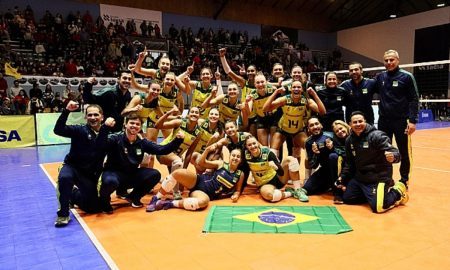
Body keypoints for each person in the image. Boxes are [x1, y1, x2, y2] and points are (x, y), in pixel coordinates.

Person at [99, 113, 184, 213]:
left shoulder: (142, 142)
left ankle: (133, 197)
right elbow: (100, 144)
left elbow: (161, 150)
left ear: (140, 127)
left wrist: (178, 140)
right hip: (114, 174)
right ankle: (104, 202)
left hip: (131, 175)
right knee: (110, 181)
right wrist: (105, 127)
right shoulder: (115, 138)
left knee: (155, 174)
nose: (134, 126)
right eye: (132, 123)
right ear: (125, 124)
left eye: (137, 124)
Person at [53, 101, 115, 227]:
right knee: (65, 177)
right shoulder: (79, 130)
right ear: (85, 117)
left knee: (93, 208)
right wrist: (66, 111)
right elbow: (58, 130)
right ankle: (63, 214)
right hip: (72, 167)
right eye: (90, 115)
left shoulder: (107, 134)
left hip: (89, 175)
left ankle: (72, 195)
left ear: (102, 116)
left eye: (96, 115)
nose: (93, 118)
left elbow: (101, 145)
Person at [339, 111, 409, 213]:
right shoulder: (349, 140)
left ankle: (398, 191)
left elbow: (395, 152)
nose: (358, 124)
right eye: (355, 122)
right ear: (350, 124)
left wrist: (393, 157)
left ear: (365, 121)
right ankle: (374, 196)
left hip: (378, 177)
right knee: (348, 198)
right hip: (361, 178)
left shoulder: (377, 136)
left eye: (360, 121)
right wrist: (343, 178)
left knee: (379, 207)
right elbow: (349, 163)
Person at [147, 144, 245, 212]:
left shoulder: (240, 174)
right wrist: (206, 151)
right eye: (233, 155)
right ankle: (156, 198)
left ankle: (169, 203)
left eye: (238, 157)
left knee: (203, 203)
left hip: (205, 193)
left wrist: (236, 195)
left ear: (240, 160)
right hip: (198, 180)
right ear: (230, 156)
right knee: (177, 173)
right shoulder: (221, 164)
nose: (235, 158)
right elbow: (202, 163)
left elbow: (237, 190)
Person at [375, 50, 419, 188]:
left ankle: (404, 180)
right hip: (383, 121)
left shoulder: (407, 76)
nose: (389, 63)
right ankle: (386, 178)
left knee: (404, 151)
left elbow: (414, 99)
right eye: (386, 60)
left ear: (398, 60)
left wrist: (412, 121)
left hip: (401, 121)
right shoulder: (380, 77)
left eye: (391, 60)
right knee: (383, 151)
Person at [244, 136, 308, 202]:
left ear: (257, 143)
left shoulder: (267, 153)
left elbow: (281, 172)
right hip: (265, 184)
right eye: (249, 145)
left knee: (290, 159)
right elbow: (244, 171)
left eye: (254, 143)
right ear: (246, 147)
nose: (253, 146)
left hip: (278, 179)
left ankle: (298, 190)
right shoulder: (246, 156)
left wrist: (275, 167)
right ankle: (290, 193)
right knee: (270, 196)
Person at [303, 116, 337, 197]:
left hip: (339, 169)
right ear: (308, 129)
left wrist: (333, 148)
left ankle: (334, 184)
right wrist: (316, 154)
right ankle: (328, 184)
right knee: (307, 189)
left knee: (333, 156)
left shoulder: (332, 135)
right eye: (311, 125)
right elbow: (313, 165)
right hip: (325, 169)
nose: (315, 127)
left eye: (316, 124)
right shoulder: (308, 142)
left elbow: (344, 153)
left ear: (321, 125)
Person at [328, 120, 351, 204]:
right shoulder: (335, 140)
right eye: (337, 131)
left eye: (341, 128)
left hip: (356, 164)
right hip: (344, 164)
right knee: (333, 157)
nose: (340, 132)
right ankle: (337, 190)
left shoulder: (354, 134)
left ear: (346, 126)